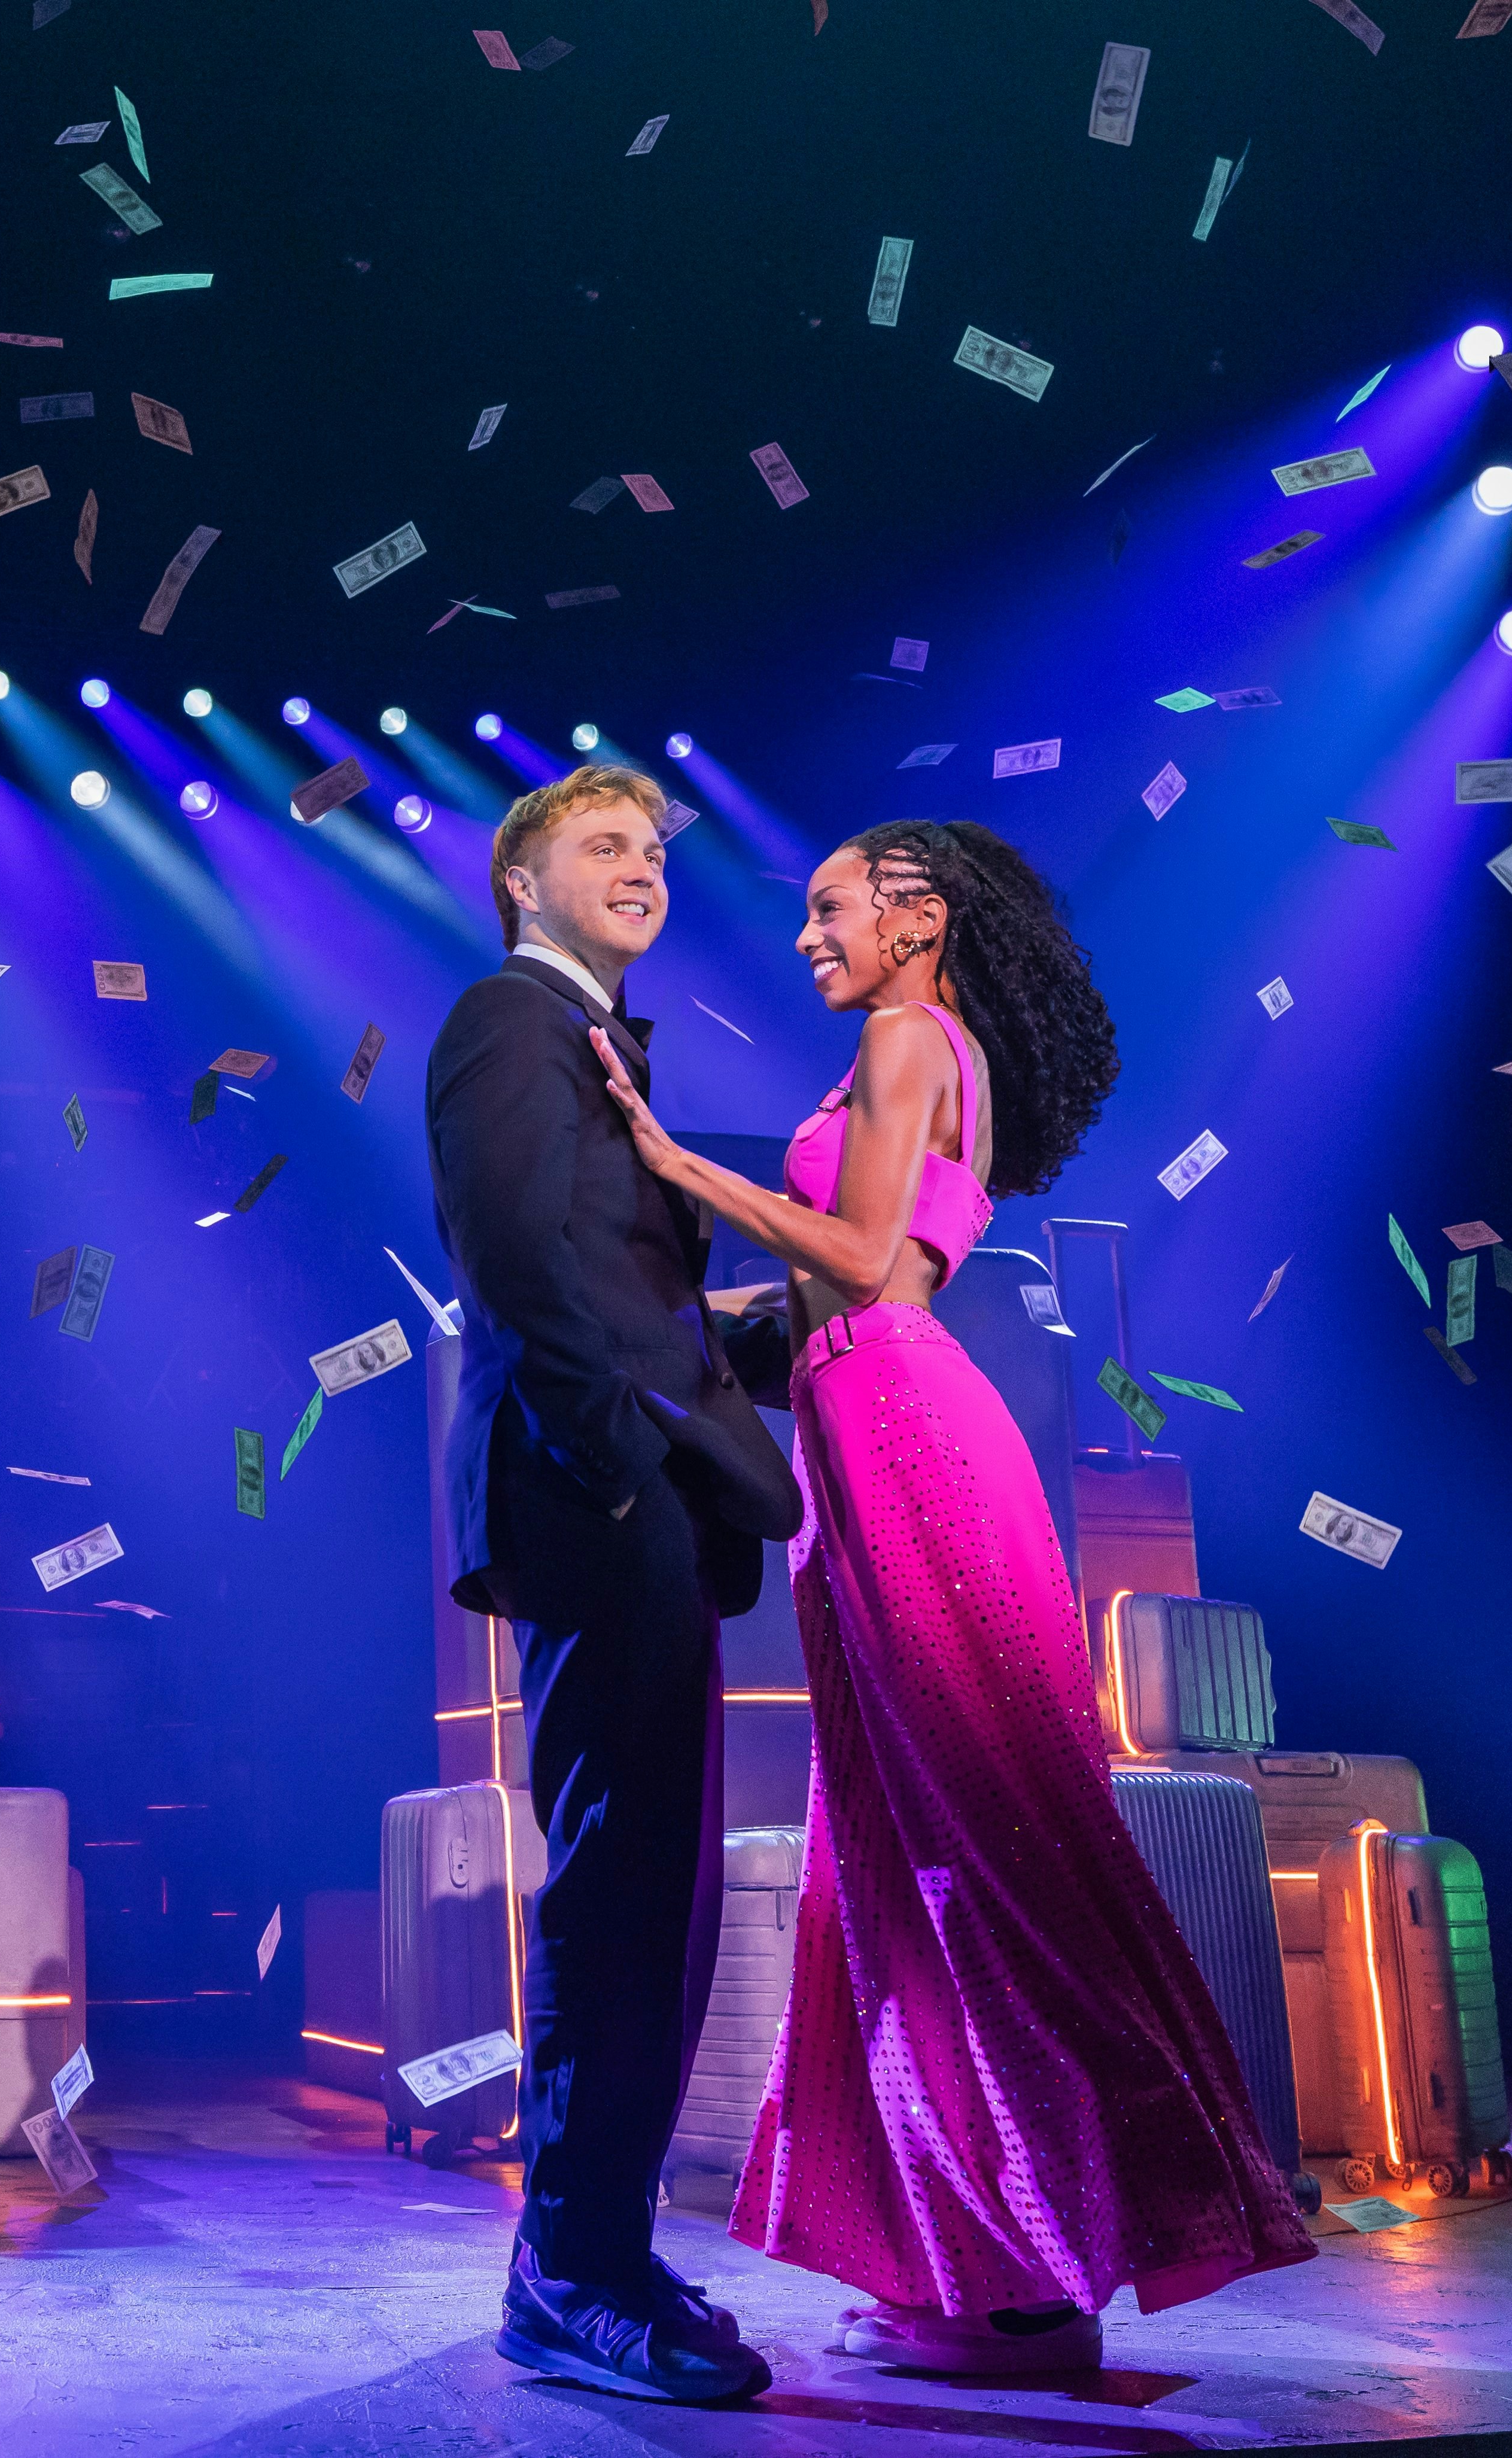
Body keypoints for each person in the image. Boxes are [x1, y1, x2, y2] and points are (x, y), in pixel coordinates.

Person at [586, 817, 1315, 2375]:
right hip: (876, 1427)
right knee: (910, 1860)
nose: (805, 938)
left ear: (915, 917)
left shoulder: (913, 1031)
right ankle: (975, 2268)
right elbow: (851, 1280)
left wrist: (669, 1163)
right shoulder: (927, 1045)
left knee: (973, 1858)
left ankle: (1036, 2285)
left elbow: (855, 1263)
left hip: (903, 1434)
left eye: (829, 908)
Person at [425, 766, 801, 2404]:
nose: (640, 866)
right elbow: (518, 1263)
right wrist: (620, 1453)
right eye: (601, 845)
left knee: (656, 1882)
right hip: (601, 1492)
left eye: (651, 847)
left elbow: (627, 1287)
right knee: (616, 1881)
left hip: (644, 1483)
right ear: (524, 881)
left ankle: (602, 2246)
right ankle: (571, 2268)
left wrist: (806, 1331)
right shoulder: (505, 1018)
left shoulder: (591, 1038)